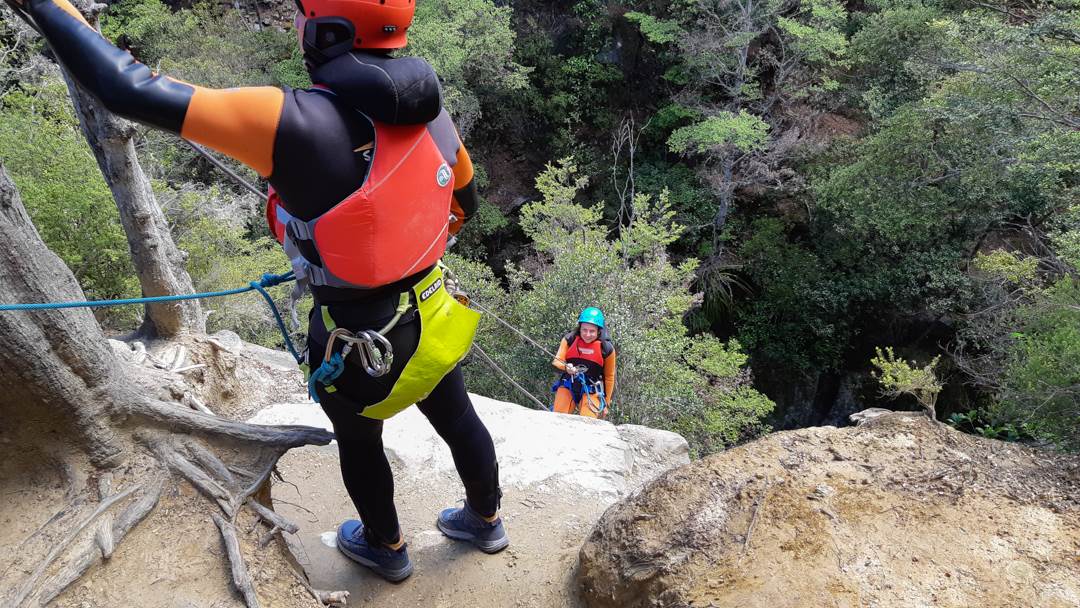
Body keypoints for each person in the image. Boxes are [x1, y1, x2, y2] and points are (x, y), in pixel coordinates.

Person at [16, 0, 507, 583]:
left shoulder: (289, 121)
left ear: (329, 29)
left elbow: (128, 89)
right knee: (455, 413)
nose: (297, 24)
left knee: (359, 438)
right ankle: (485, 519)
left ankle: (386, 545)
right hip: (429, 311)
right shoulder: (434, 112)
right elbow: (464, 204)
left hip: (358, 336)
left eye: (303, 13)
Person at [551, 307, 616, 419]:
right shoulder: (569, 339)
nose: (587, 334)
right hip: (568, 384)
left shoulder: (606, 349)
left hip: (592, 388)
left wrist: (606, 403)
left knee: (588, 421)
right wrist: (566, 367)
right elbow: (556, 362)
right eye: (584, 330)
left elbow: (609, 377)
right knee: (558, 417)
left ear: (599, 331)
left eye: (592, 331)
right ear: (579, 328)